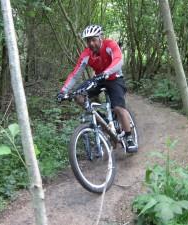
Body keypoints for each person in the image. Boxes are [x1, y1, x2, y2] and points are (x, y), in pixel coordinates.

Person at [57, 24, 137, 153]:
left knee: (118, 108)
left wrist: (108, 72)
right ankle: (103, 121)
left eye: (93, 39)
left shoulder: (109, 45)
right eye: (88, 41)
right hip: (98, 79)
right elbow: (75, 73)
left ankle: (129, 138)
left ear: (100, 38)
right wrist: (63, 91)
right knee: (78, 95)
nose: (91, 43)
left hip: (114, 77)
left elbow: (118, 59)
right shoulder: (86, 54)